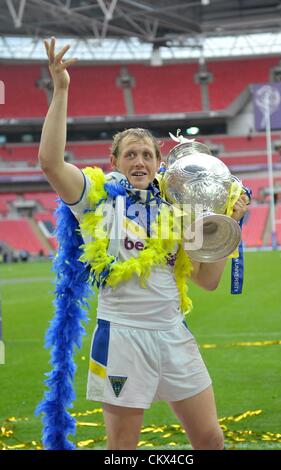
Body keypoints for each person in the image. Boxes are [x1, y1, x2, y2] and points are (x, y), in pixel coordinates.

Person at [39, 37, 248, 451]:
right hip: (122, 337)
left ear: (158, 164)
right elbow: (49, 161)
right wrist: (61, 89)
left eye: (147, 155)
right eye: (130, 154)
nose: (139, 162)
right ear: (114, 161)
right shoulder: (95, 201)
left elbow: (207, 281)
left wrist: (228, 227)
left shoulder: (179, 209)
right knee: (124, 448)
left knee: (210, 439)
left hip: (173, 332)